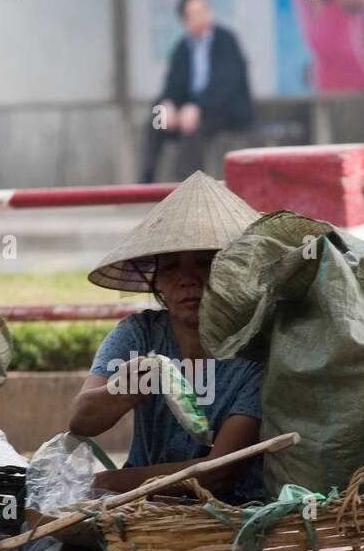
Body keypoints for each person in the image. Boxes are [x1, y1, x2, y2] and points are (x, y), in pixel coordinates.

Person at [68, 171, 266, 503]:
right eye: (171, 267)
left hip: (229, 513)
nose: (187, 279)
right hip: (142, 509)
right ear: (157, 282)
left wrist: (108, 481)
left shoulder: (256, 352)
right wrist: (123, 390)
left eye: (206, 263)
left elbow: (219, 472)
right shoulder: (138, 334)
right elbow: (81, 420)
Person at [140, 0, 253, 184]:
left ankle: (188, 185)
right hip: (190, 111)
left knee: (193, 128)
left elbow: (227, 85)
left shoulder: (226, 41)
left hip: (225, 111)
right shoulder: (182, 48)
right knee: (156, 120)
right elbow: (173, 84)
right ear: (184, 20)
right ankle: (145, 183)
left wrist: (199, 107)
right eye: (195, 13)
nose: (202, 17)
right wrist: (168, 104)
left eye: (204, 11)